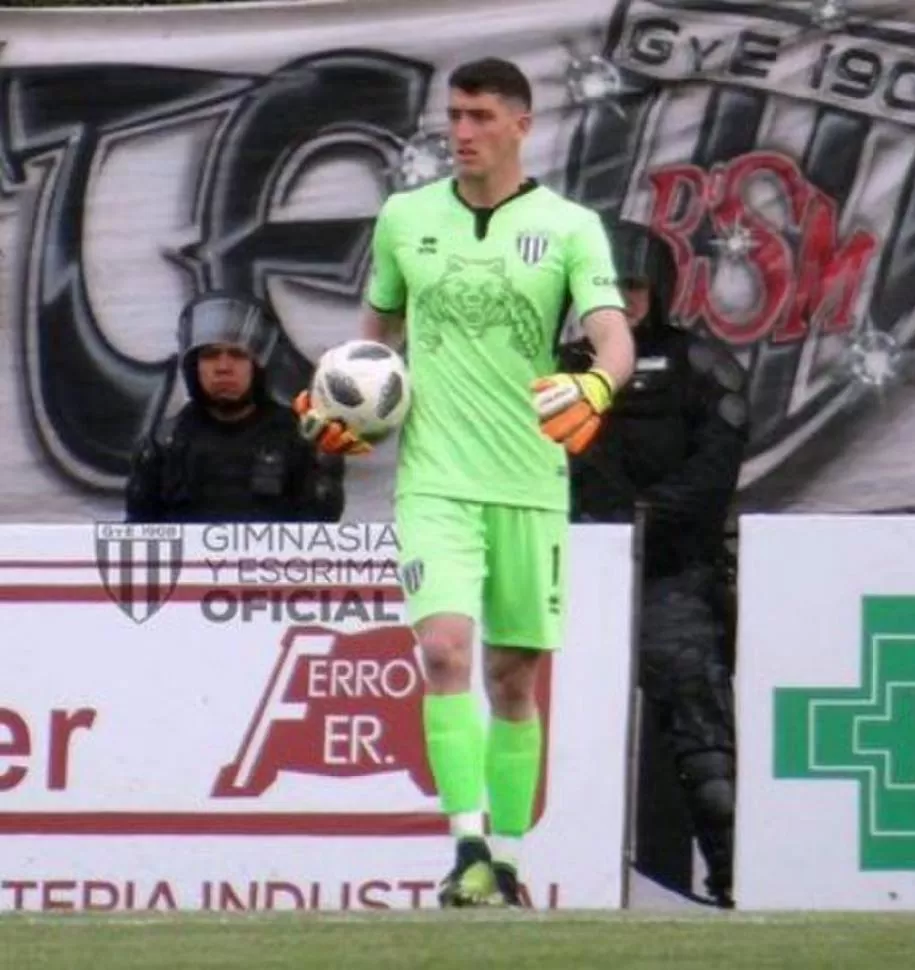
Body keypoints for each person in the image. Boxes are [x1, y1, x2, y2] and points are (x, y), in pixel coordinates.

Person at [294, 58, 635, 907]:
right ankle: (465, 848)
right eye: (454, 115)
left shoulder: (569, 227)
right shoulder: (406, 218)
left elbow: (613, 338)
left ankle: (508, 864)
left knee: (513, 678)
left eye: (481, 115)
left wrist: (596, 384)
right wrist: (344, 405)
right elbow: (370, 347)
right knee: (444, 648)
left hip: (529, 480)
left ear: (522, 124)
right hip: (435, 479)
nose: (463, 130)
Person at [560, 223, 748, 908]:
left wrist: (650, 516)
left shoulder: (702, 365)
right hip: (571, 583)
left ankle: (732, 882)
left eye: (632, 286)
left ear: (658, 290)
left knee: (703, 738)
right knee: (549, 729)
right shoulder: (556, 369)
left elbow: (718, 466)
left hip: (671, 577)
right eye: (605, 287)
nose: (621, 299)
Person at [126, 292, 345, 524]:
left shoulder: (300, 440)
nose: (223, 367)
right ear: (194, 366)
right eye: (210, 355)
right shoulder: (164, 443)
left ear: (258, 365)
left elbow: (320, 543)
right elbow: (138, 539)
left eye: (237, 355)